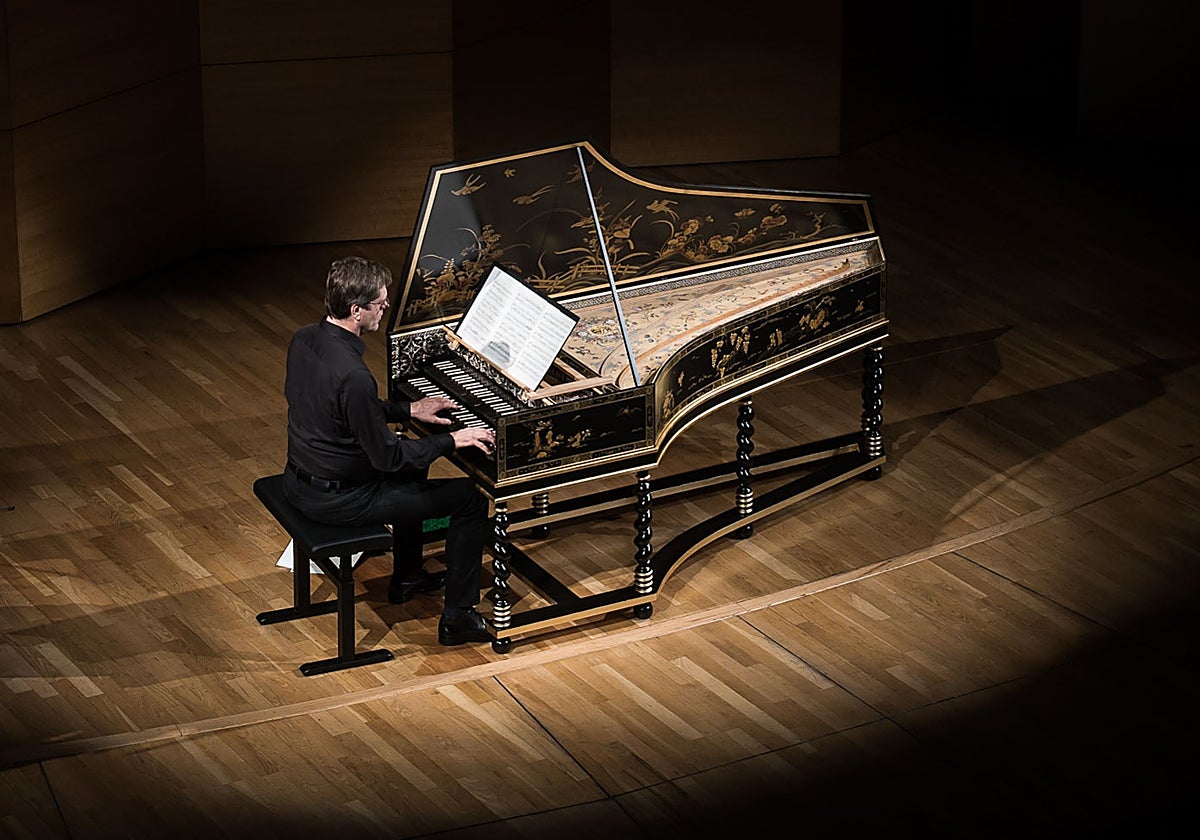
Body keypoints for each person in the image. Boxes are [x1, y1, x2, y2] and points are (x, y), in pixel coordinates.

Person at [282, 255, 496, 646]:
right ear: (356, 310)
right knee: (468, 497)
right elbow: (388, 459)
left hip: (301, 479)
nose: (384, 308)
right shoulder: (354, 375)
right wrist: (453, 440)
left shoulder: (304, 340)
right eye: (380, 303)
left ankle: (408, 574)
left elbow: (341, 410)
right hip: (340, 499)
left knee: (414, 461)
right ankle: (458, 618)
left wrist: (408, 410)